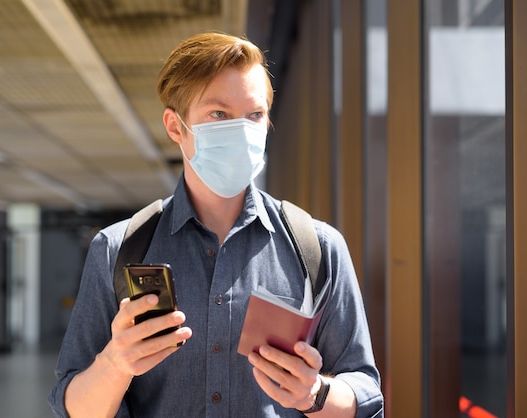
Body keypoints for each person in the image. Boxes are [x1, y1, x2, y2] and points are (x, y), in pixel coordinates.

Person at [48, 32, 383, 417]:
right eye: (219, 114)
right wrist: (115, 364)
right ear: (176, 128)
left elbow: (366, 394)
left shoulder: (318, 248)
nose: (241, 132)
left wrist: (315, 393)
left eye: (255, 115)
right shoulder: (118, 248)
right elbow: (71, 406)